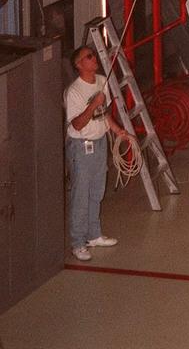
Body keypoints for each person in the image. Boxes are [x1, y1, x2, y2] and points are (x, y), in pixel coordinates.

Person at [64, 44, 128, 261]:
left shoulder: (102, 81)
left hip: (99, 142)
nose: (94, 58)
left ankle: (94, 234)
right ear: (79, 64)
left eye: (93, 55)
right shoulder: (74, 91)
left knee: (97, 190)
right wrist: (93, 105)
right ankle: (77, 242)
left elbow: (104, 114)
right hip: (81, 146)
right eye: (88, 57)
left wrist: (118, 130)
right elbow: (78, 124)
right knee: (81, 193)